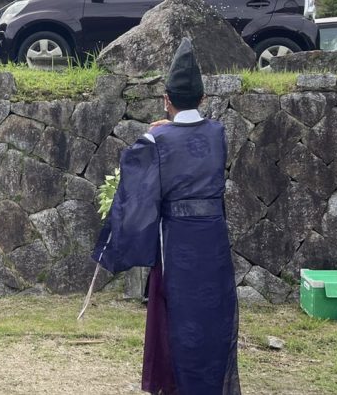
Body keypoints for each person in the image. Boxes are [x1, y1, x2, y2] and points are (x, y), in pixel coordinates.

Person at [92, 38, 240, 395]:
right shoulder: (219, 133)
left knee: (177, 314)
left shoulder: (156, 139)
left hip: (177, 242)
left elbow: (138, 195)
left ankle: (176, 386)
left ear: (166, 100)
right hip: (214, 241)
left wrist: (115, 245)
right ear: (204, 99)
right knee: (212, 314)